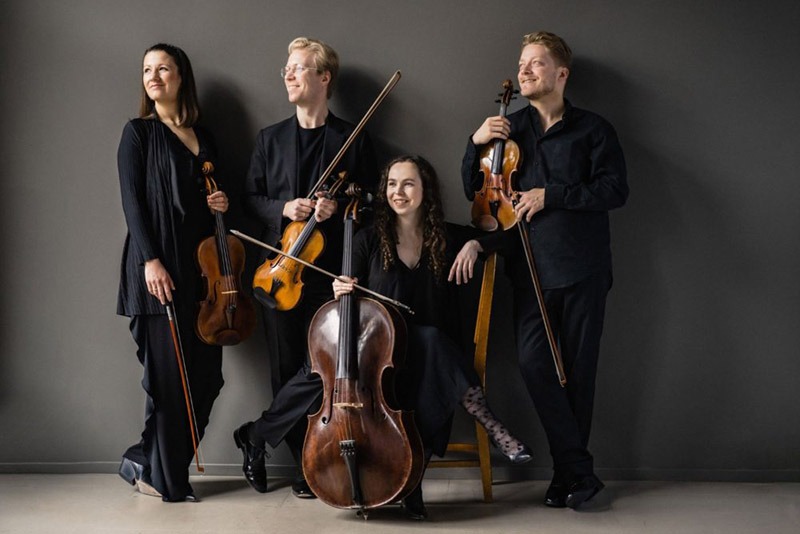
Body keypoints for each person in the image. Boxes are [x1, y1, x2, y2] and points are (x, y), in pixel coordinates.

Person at [455, 31, 628, 509]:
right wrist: (475, 142)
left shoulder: (594, 130)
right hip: (529, 270)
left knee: (579, 374)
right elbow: (477, 190)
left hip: (583, 267)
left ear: (561, 73)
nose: (524, 70)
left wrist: (552, 195)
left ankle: (566, 476)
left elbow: (615, 190)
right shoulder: (508, 130)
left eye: (535, 63)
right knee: (535, 365)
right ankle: (578, 471)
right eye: (522, 63)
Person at [330, 155, 532, 519]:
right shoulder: (367, 239)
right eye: (392, 184)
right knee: (434, 343)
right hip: (383, 359)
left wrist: (476, 245)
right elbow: (350, 301)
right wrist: (341, 288)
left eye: (408, 183)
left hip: (432, 361)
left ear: (426, 190)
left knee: (433, 346)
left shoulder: (448, 237)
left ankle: (412, 484)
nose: (398, 192)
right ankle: (489, 424)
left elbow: (512, 238)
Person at [239, 37, 377, 498]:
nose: (288, 74)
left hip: (330, 274)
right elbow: (250, 199)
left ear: (323, 77)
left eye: (298, 67)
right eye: (287, 68)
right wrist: (284, 207)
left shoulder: (352, 138)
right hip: (280, 272)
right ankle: (303, 463)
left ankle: (258, 436)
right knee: (284, 368)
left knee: (322, 368)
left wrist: (339, 209)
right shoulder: (270, 138)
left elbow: (370, 204)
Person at [116, 43, 229, 502]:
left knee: (207, 378)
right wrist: (151, 260)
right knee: (168, 382)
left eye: (163, 68)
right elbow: (132, 202)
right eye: (147, 69)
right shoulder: (138, 133)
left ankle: (144, 459)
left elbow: (212, 205)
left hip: (200, 277)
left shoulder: (205, 137)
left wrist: (221, 203)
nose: (153, 76)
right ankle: (167, 481)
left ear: (182, 76)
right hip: (156, 271)